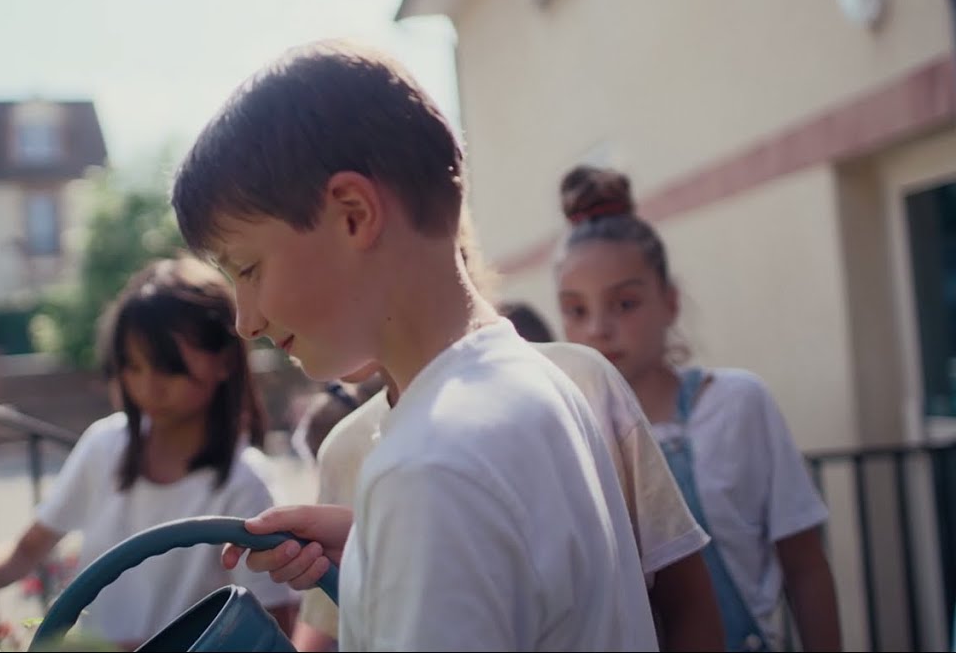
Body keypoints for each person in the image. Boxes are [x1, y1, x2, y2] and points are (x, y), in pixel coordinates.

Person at [169, 38, 658, 651]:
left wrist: (409, 525)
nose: (244, 323)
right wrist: (380, 546)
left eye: (247, 268)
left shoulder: (426, 468)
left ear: (353, 214)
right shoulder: (536, 386)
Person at [291, 231, 723, 653]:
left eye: (254, 268)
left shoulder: (579, 380)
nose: (250, 322)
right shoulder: (345, 450)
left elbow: (687, 604)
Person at [0, 256, 297, 650]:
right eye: (133, 367)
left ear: (225, 361)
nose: (147, 386)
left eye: (169, 368)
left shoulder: (247, 486)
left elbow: (270, 626)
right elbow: (26, 550)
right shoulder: (105, 446)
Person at [553, 164, 842, 651]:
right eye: (576, 310)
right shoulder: (568, 436)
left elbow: (805, 566)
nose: (598, 329)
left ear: (670, 302)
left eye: (624, 304)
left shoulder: (737, 405)